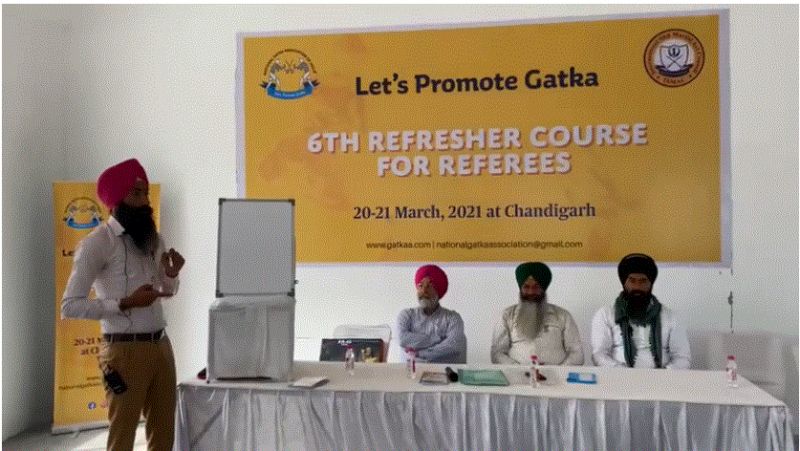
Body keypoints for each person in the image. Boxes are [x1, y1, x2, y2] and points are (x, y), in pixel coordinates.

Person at [61, 158, 185, 451]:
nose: (144, 201)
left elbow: (164, 291)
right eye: (136, 194)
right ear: (117, 199)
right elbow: (70, 305)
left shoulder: (154, 239)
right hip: (124, 351)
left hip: (161, 346)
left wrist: (170, 275)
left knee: (165, 434)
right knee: (123, 438)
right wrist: (126, 303)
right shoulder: (97, 243)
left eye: (145, 193)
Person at [591, 253, 690, 369]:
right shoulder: (605, 314)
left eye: (643, 281)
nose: (637, 286)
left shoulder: (671, 316)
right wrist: (622, 373)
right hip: (618, 380)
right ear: (624, 283)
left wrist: (664, 375)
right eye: (632, 281)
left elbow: (682, 358)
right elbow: (599, 354)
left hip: (662, 382)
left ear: (651, 284)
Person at [491, 262, 584, 365]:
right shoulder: (507, 316)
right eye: (526, 287)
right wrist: (517, 369)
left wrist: (560, 371)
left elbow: (577, 353)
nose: (531, 292)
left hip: (557, 378)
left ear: (543, 289)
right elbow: (497, 353)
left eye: (536, 287)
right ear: (520, 289)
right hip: (517, 377)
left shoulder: (563, 316)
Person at [396, 264, 467, 363]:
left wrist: (421, 353)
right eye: (420, 286)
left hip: (445, 373)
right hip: (411, 374)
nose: (424, 291)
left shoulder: (453, 318)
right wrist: (436, 339)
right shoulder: (406, 315)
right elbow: (402, 339)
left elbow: (453, 345)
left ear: (438, 291)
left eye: (429, 286)